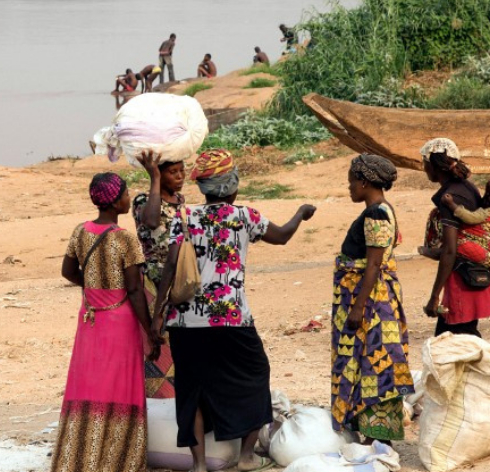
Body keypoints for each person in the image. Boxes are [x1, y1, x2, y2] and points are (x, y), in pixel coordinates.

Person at [154, 149, 316, 472]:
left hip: (185, 321)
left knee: (193, 390)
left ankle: (199, 464)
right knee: (255, 376)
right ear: (232, 185)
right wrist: (300, 212)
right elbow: (282, 235)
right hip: (231, 318)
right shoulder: (244, 217)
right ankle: (245, 456)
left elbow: (170, 266)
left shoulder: (185, 217)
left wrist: (158, 314)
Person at [52, 173, 161, 472]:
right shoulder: (125, 238)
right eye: (126, 194)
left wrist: (92, 287)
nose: (129, 198)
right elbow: (135, 289)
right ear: (115, 201)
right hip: (119, 318)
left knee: (88, 383)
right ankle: (117, 459)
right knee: (119, 384)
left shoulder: (80, 231)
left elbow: (67, 271)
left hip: (89, 317)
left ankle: (79, 458)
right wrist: (150, 330)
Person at [331, 154, 414, 444]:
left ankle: (377, 437)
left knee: (374, 364)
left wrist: (357, 307)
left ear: (364, 182)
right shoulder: (382, 209)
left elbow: (374, 264)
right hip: (372, 299)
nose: (349, 187)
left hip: (371, 303)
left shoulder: (376, 213)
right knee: (370, 363)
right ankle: (370, 435)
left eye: (352, 182)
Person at [419, 138, 490, 337]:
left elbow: (450, 250)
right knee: (460, 337)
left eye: (425, 163)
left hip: (462, 280)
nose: (423, 168)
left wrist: (434, 296)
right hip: (475, 274)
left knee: (457, 340)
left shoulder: (450, 197)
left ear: (434, 165)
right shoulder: (467, 187)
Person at [133, 149, 186, 398]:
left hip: (180, 279)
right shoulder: (143, 201)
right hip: (155, 284)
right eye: (172, 172)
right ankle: (161, 401)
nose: (180, 176)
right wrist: (153, 177)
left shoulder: (182, 202)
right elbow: (152, 222)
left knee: (180, 344)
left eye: (182, 171)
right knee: (158, 342)